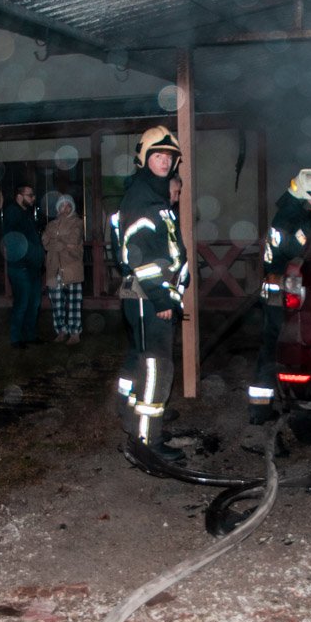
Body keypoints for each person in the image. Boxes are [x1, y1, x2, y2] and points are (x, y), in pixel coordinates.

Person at [117, 126, 190, 462]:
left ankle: (137, 422)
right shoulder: (143, 197)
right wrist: (161, 298)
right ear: (144, 159)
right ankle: (148, 442)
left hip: (152, 296)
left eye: (169, 156)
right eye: (157, 155)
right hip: (150, 298)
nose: (164, 161)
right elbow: (137, 255)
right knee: (157, 367)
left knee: (144, 362)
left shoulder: (155, 194)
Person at [246, 169, 311, 432]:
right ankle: (261, 409)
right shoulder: (290, 219)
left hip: (282, 291)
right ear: (307, 197)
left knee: (276, 349)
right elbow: (297, 251)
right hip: (278, 294)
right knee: (276, 349)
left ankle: (265, 406)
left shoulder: (292, 214)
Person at [1, 184, 44, 348]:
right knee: (23, 302)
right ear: (19, 195)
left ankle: (30, 336)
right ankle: (16, 338)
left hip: (32, 266)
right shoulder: (13, 213)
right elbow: (12, 240)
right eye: (30, 195)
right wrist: (23, 260)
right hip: (21, 267)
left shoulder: (26, 214)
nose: (33, 198)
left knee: (34, 302)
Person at [42, 195, 85, 344]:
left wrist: (57, 240)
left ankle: (75, 333)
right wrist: (62, 243)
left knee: (74, 302)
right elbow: (45, 242)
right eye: (62, 205)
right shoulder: (51, 224)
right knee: (57, 302)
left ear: (72, 207)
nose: (64, 208)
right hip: (54, 269)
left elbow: (74, 240)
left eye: (68, 205)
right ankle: (61, 331)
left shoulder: (77, 223)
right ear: (58, 208)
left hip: (72, 268)